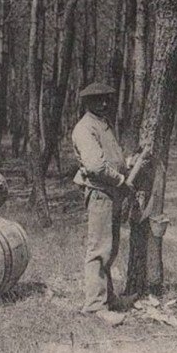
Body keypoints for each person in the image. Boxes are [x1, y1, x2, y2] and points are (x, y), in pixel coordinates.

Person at [71, 82, 135, 326]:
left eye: (107, 98)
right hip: (100, 192)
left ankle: (109, 298)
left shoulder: (103, 125)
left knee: (110, 248)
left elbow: (111, 159)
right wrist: (121, 180)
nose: (104, 103)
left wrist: (129, 162)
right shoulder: (85, 128)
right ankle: (94, 306)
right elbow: (96, 167)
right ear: (87, 103)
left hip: (112, 192)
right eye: (98, 100)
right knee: (98, 250)